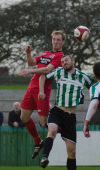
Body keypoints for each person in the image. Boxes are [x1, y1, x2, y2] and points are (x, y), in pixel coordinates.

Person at [39, 55, 93, 170]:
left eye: (66, 60)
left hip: (70, 116)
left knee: (72, 152)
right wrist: (41, 91)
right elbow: (43, 76)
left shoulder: (83, 77)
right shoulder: (58, 72)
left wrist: (96, 102)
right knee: (52, 130)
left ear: (73, 62)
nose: (64, 63)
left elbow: (94, 87)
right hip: (57, 110)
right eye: (62, 61)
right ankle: (44, 157)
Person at [17, 30, 65, 159]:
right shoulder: (46, 53)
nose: (55, 41)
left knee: (43, 123)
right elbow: (31, 62)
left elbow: (48, 69)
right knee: (24, 117)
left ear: (63, 42)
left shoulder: (60, 56)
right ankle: (38, 141)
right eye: (54, 39)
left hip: (42, 91)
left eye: (58, 40)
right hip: (31, 88)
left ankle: (65, 129)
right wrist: (28, 53)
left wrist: (29, 71)